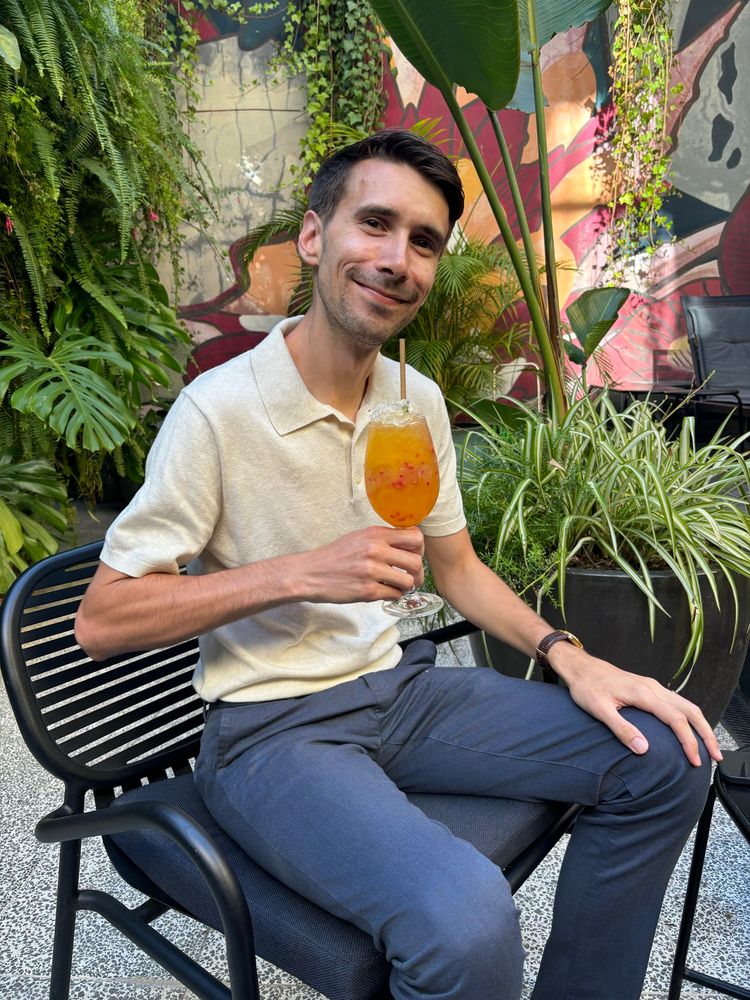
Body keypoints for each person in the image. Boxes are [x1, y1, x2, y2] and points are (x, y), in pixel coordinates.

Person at [75, 129, 719, 1000]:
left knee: (667, 758)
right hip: (273, 732)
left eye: (423, 241)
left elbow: (455, 569)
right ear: (314, 237)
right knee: (466, 926)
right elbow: (104, 618)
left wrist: (573, 656)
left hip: (400, 691)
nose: (397, 259)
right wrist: (303, 572)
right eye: (374, 223)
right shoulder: (217, 412)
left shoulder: (414, 401)